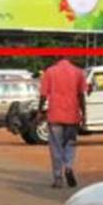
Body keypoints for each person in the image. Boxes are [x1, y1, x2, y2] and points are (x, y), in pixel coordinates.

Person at [38, 56, 89, 188]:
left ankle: (58, 177)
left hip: (55, 115)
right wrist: (84, 113)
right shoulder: (78, 72)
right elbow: (81, 95)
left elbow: (43, 94)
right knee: (70, 144)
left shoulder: (50, 72)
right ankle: (68, 166)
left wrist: (39, 111)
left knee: (56, 147)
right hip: (72, 115)